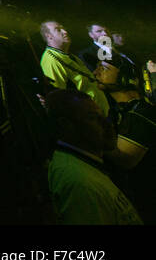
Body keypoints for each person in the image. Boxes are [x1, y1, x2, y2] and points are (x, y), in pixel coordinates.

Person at [44, 90, 142, 224]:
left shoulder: (82, 165)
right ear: (65, 125)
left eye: (102, 117)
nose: (108, 125)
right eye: (92, 118)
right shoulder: (79, 183)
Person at [39, 20, 109, 119]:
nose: (65, 32)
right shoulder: (51, 60)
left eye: (63, 28)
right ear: (48, 36)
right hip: (89, 120)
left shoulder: (69, 56)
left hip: (100, 116)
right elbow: (58, 99)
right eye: (58, 30)